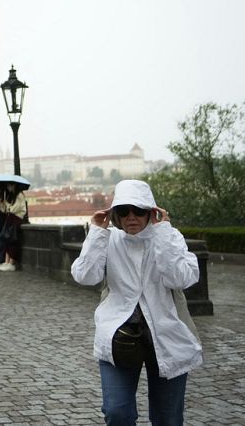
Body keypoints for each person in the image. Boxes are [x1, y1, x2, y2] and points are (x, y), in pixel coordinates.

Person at [71, 179, 202, 425]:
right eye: (123, 211)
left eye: (139, 210)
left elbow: (182, 278)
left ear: (151, 212)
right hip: (118, 335)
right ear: (115, 214)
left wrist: (163, 233)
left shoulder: (169, 236)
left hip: (166, 335)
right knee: (116, 411)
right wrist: (97, 233)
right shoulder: (108, 240)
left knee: (168, 419)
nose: (132, 217)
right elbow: (85, 276)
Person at [0, 183, 26, 271]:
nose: (8, 187)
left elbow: (15, 208)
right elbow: (6, 210)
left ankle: (11, 263)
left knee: (12, 240)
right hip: (11, 218)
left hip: (16, 219)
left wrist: (8, 206)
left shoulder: (20, 195)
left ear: (14, 186)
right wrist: (2, 203)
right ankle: (6, 262)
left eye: (10, 185)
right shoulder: (12, 196)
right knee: (7, 240)